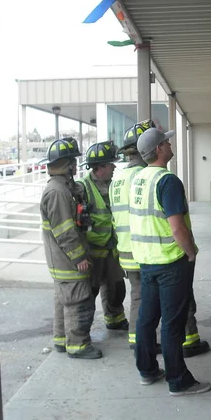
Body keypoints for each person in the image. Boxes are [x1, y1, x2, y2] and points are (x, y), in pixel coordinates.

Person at [129, 127, 211, 396]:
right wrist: (190, 252)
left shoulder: (138, 179)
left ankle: (147, 370)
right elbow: (177, 228)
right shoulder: (167, 181)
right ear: (158, 150)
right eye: (165, 142)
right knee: (172, 324)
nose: (169, 144)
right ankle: (178, 380)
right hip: (170, 262)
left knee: (146, 319)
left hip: (146, 260)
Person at [40, 137, 102, 359]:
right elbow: (65, 230)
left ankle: (61, 339)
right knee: (78, 300)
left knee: (63, 298)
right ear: (67, 165)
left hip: (60, 258)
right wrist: (79, 257)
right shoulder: (57, 192)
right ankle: (78, 345)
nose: (76, 166)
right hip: (67, 259)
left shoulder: (62, 188)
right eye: (73, 162)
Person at [110, 120, 160, 351]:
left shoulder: (118, 178)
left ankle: (139, 339)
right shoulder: (141, 176)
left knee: (138, 295)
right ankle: (139, 340)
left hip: (126, 247)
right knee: (142, 298)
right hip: (142, 248)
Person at [77, 141, 128, 331]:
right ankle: (82, 332)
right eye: (110, 164)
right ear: (99, 168)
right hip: (93, 252)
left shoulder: (115, 185)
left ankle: (115, 319)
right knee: (90, 292)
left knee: (116, 288)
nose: (114, 166)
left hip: (112, 250)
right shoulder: (82, 188)